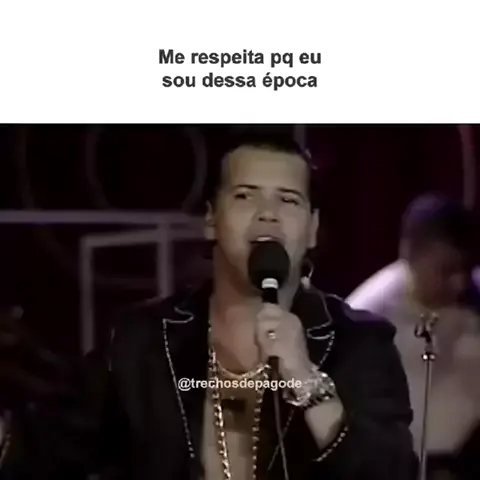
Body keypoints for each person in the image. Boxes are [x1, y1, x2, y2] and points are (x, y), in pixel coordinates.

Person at [0, 132, 417, 479]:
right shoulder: (140, 342)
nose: (268, 214)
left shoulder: (360, 343)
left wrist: (306, 379)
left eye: (288, 200)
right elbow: (40, 449)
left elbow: (390, 472)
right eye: (245, 196)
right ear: (211, 219)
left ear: (312, 228)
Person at [347, 194, 480, 479]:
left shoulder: (475, 299)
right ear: (410, 254)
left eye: (466, 269)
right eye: (447, 270)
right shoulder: (367, 319)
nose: (459, 282)